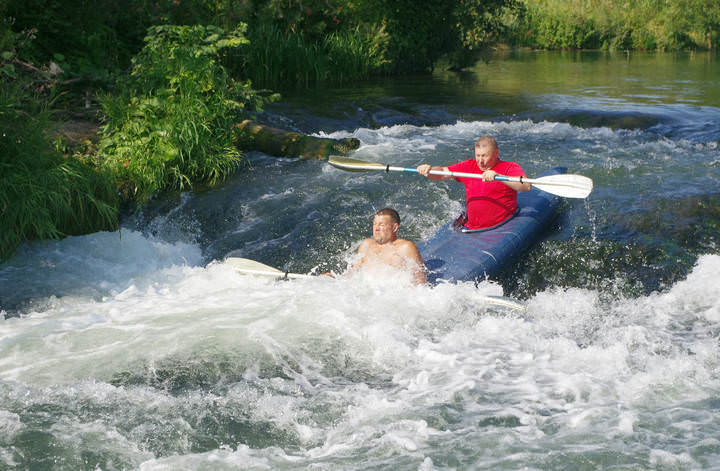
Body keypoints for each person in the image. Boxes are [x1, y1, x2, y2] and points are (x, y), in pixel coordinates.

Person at [417, 136, 532, 230]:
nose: (480, 160)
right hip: (471, 227)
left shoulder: (509, 167)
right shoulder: (468, 166)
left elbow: (526, 187)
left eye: (484, 156)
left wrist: (499, 177)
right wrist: (429, 170)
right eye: (478, 155)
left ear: (496, 153)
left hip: (501, 225)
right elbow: (442, 172)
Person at [350, 208, 427, 285]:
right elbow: (352, 275)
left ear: (394, 227)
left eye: (381, 225)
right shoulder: (366, 245)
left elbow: (420, 281)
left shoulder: (405, 248)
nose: (376, 228)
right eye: (374, 224)